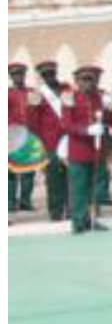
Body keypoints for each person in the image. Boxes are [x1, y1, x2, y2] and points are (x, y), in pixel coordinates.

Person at [60, 66, 112, 234]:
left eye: (90, 79)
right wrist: (86, 130)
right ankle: (78, 222)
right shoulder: (69, 98)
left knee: (94, 188)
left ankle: (92, 218)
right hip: (78, 150)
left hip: (96, 150)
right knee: (78, 188)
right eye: (83, 80)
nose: (87, 83)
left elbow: (109, 121)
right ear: (77, 81)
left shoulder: (99, 98)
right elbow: (66, 124)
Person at [29, 60, 69, 221]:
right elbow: (33, 122)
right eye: (45, 75)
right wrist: (39, 145)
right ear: (41, 77)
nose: (49, 77)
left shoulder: (67, 89)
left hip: (69, 140)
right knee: (53, 179)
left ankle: (73, 209)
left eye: (51, 73)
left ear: (56, 73)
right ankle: (56, 212)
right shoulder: (38, 94)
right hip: (49, 143)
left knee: (71, 177)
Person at [9, 62, 38, 212]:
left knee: (29, 171)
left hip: (29, 136)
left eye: (20, 74)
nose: (18, 77)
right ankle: (10, 203)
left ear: (24, 75)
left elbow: (38, 113)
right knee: (11, 172)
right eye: (15, 74)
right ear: (11, 77)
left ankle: (26, 201)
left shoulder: (32, 92)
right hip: (12, 137)